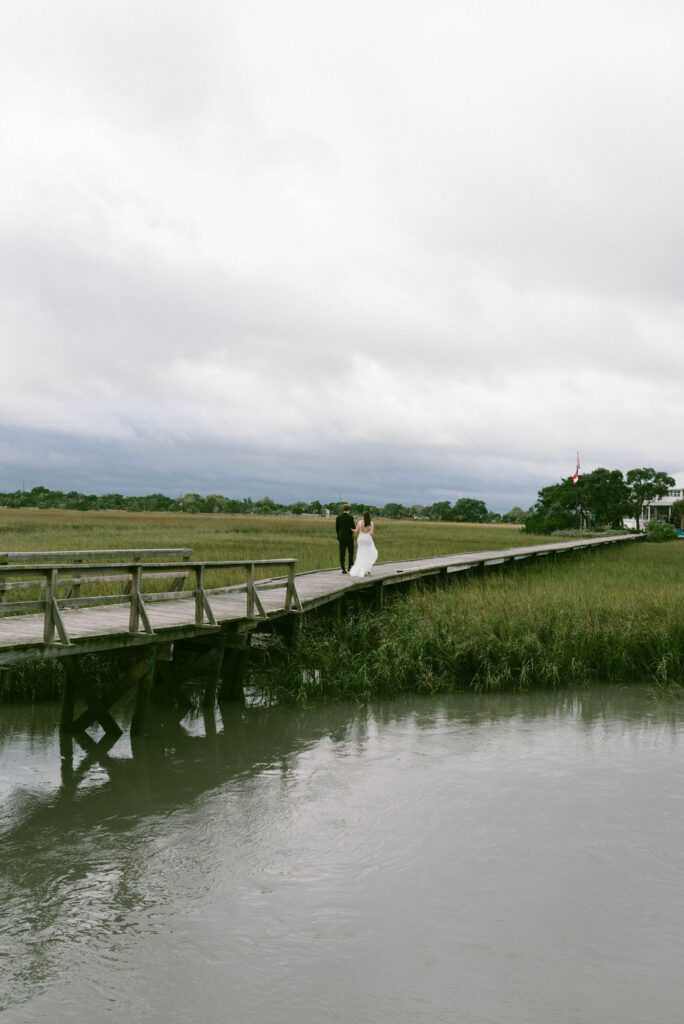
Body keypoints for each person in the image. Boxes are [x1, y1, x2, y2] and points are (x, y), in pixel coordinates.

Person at [349, 510, 378, 577]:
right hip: (367, 539)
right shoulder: (371, 523)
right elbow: (371, 533)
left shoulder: (359, 522)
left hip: (361, 539)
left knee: (360, 554)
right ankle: (366, 569)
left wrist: (351, 529)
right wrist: (369, 530)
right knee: (367, 554)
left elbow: (356, 531)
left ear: (363, 516)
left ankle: (358, 569)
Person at [336, 503, 356, 573]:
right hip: (349, 537)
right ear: (349, 509)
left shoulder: (338, 517)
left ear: (343, 509)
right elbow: (353, 527)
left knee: (342, 553)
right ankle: (350, 567)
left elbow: (337, 528)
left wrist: (338, 536)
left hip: (341, 537)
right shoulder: (350, 517)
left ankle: (343, 568)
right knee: (350, 552)